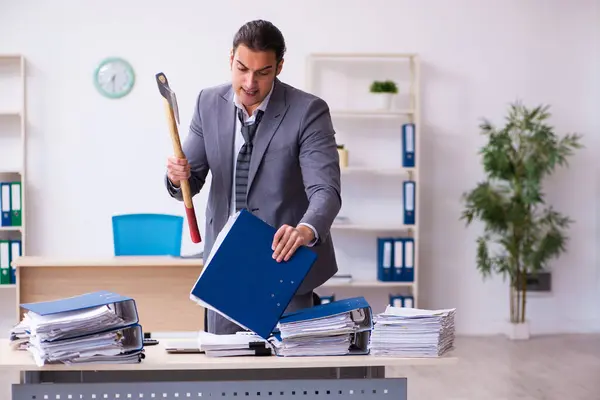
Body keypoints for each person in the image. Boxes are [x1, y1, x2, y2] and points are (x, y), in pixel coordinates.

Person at [165, 19, 341, 335]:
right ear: (230, 58)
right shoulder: (208, 103)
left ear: (279, 67)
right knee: (223, 373)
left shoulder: (308, 111)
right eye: (242, 68)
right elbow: (191, 180)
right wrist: (178, 177)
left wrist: (304, 230)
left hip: (283, 260)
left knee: (287, 375)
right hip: (224, 263)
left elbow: (325, 190)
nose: (249, 82)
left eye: (262, 73)